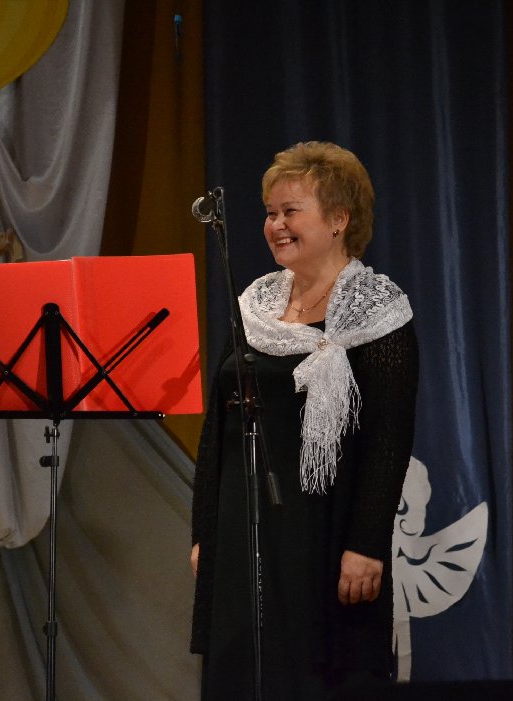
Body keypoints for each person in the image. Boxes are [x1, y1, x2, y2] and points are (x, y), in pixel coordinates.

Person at [190, 141, 419, 697]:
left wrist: (366, 544)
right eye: (270, 212)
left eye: (291, 211)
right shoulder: (255, 305)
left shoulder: (377, 312)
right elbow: (217, 430)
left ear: (339, 219)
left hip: (327, 535)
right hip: (245, 533)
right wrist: (205, 533)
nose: (275, 225)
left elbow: (389, 441)